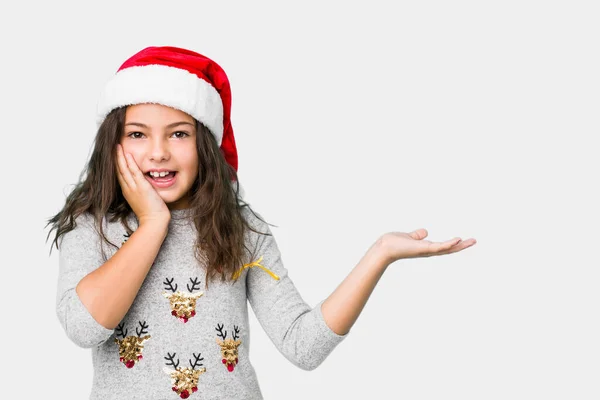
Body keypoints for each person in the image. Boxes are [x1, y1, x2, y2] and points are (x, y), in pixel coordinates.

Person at [45, 46, 476, 400]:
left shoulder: (240, 227)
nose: (158, 152)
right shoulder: (91, 226)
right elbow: (85, 328)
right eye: (138, 134)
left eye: (178, 133)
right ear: (114, 144)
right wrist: (153, 222)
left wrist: (379, 254)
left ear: (205, 144)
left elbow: (302, 346)